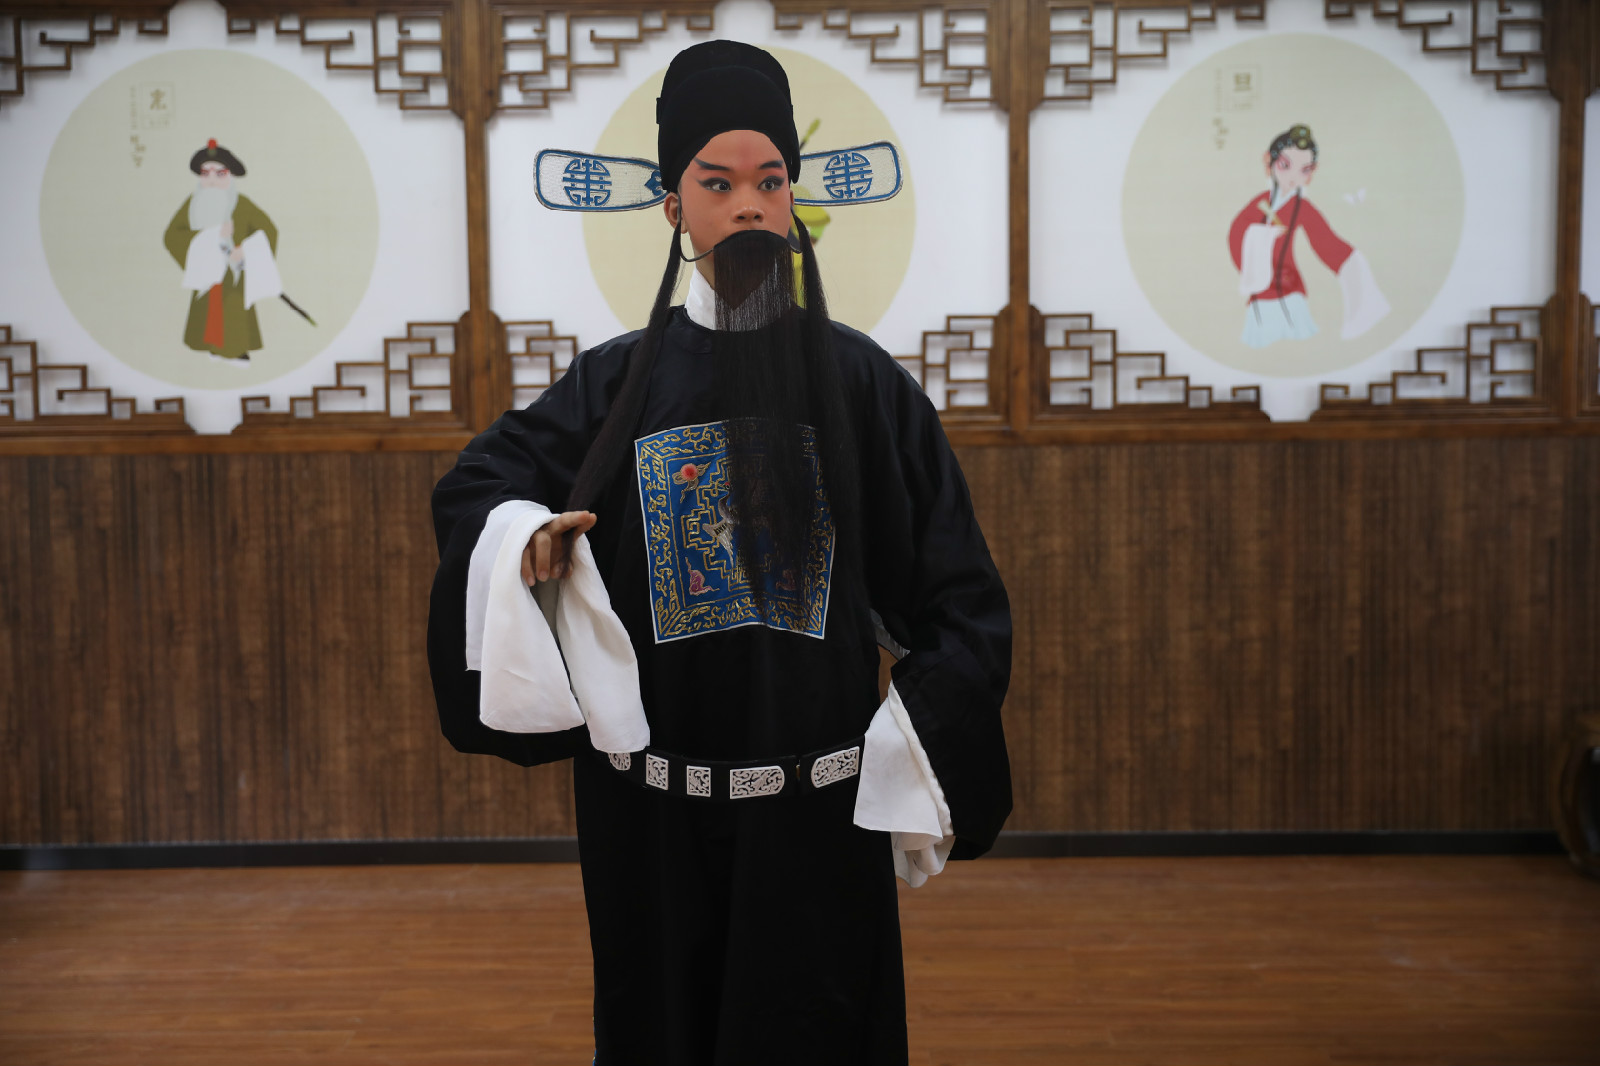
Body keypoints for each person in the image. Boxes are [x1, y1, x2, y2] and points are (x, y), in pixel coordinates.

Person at [428, 40, 1011, 1065]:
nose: (748, 206)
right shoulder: (614, 386)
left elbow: (959, 593)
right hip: (650, 820)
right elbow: (479, 485)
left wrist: (907, 742)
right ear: (673, 205)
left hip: (818, 819)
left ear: (792, 201)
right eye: (718, 183)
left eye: (769, 182)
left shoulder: (863, 385)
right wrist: (525, 535)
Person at [1227, 123, 1388, 348]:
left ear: (1312, 172)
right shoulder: (1260, 203)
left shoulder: (1302, 208)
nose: (1293, 177)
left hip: (1290, 288)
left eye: (1304, 170)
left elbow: (1326, 242)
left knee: (1297, 340)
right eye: (1285, 165)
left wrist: (1352, 264)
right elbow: (1236, 234)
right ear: (1268, 161)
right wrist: (1263, 237)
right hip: (1261, 291)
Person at [162, 140, 282, 363]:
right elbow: (172, 236)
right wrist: (211, 237)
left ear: (230, 176)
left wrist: (245, 251)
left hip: (233, 275)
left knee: (233, 311)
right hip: (206, 274)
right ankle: (211, 347)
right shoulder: (192, 204)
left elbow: (268, 232)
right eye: (205, 174)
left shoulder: (242, 204)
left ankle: (236, 350)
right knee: (206, 311)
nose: (211, 180)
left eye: (220, 174)